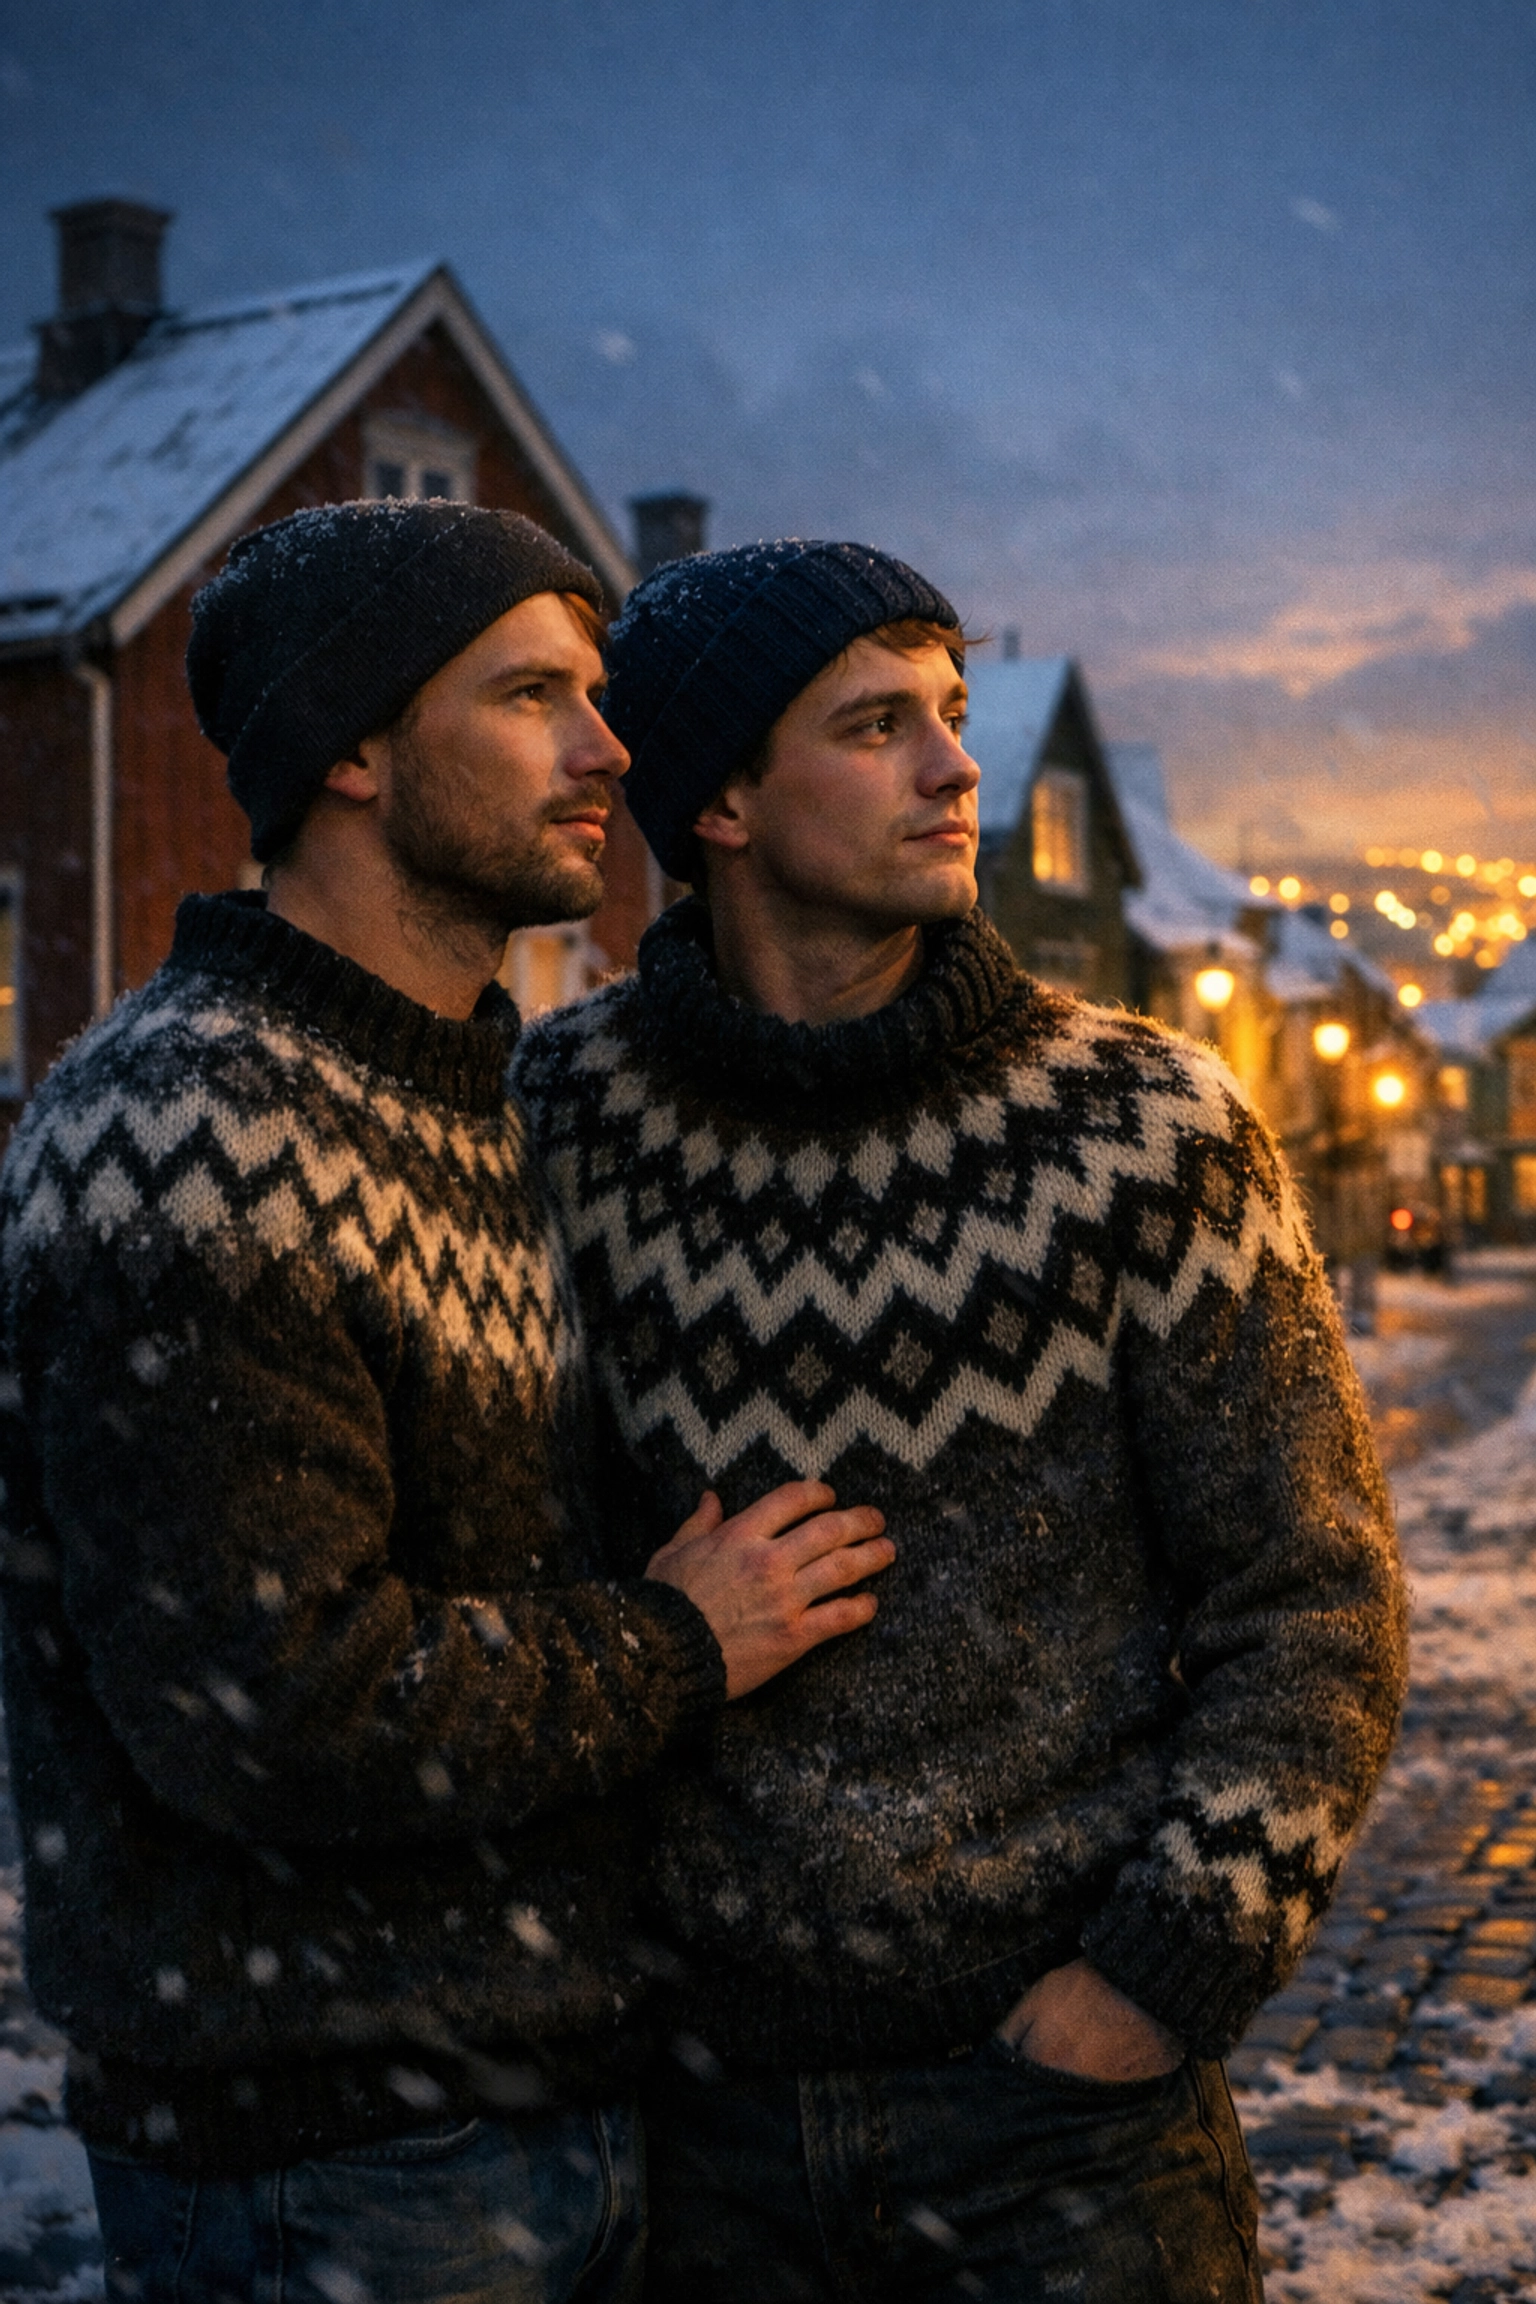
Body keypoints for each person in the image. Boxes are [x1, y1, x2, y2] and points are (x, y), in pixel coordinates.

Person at [0, 504, 893, 2304]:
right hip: (333, 2148)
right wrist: (680, 1641)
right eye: (532, 697)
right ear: (350, 749)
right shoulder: (192, 1137)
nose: (609, 747)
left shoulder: (459, 1099)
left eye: (600, 692)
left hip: (543, 2104)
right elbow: (275, 1708)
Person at [513, 539, 1409, 2303]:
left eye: (954, 712)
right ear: (724, 807)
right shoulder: (552, 1126)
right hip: (692, 2143)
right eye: (875, 725)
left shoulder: (1149, 1132)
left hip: (1063, 2143)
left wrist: (1153, 1985)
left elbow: (1317, 1609)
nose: (954, 766)